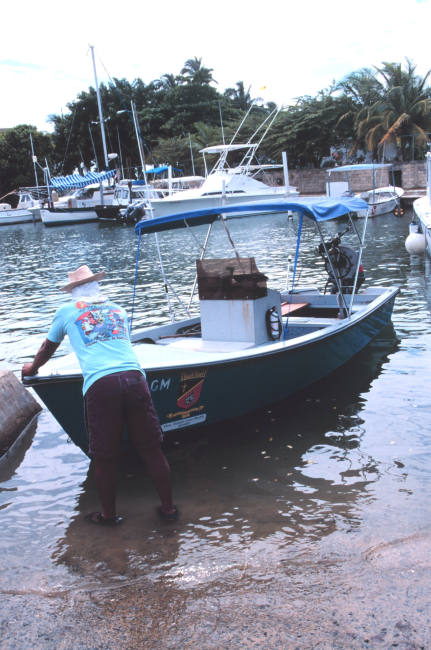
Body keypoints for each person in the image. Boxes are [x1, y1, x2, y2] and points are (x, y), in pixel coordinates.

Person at [22, 265, 176, 526]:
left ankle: (108, 516)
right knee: (151, 449)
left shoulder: (66, 311)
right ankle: (170, 511)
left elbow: (47, 348)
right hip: (135, 379)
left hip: (101, 385)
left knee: (104, 457)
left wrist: (31, 369)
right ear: (96, 287)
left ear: (74, 292)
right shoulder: (118, 309)